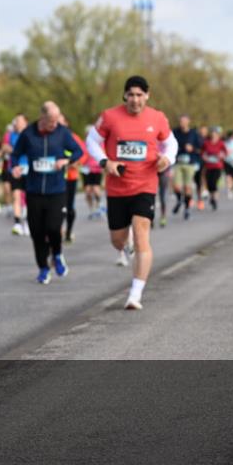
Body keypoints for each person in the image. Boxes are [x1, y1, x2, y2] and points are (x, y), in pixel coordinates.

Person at [86, 76, 177, 310]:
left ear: (147, 95)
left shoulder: (157, 118)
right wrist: (105, 161)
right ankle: (124, 247)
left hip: (145, 185)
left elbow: (171, 143)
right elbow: (92, 141)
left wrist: (167, 158)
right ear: (125, 95)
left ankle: (135, 293)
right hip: (117, 188)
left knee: (141, 234)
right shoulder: (110, 116)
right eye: (131, 94)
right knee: (118, 240)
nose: (135, 99)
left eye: (140, 95)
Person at [11, 103, 82, 284]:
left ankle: (57, 254)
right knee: (36, 232)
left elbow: (78, 151)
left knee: (53, 228)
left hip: (56, 190)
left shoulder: (62, 132)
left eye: (57, 120)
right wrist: (15, 167)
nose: (55, 124)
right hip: (34, 190)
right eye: (51, 120)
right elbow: (15, 154)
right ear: (42, 117)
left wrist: (66, 160)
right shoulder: (28, 134)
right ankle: (43, 268)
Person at [58, 114, 88, 242]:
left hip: (70, 176)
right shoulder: (51, 137)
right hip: (56, 178)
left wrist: (76, 163)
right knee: (59, 207)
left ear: (66, 123)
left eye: (60, 122)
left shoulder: (73, 137)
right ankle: (57, 232)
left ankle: (69, 231)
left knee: (69, 207)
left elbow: (84, 153)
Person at [1, 114, 29, 235]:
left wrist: (15, 149)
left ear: (25, 123)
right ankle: (17, 223)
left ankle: (27, 223)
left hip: (29, 168)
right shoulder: (11, 135)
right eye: (15, 121)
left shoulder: (30, 135)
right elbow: (4, 147)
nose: (16, 123)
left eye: (18, 121)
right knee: (16, 196)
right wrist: (12, 149)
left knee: (29, 198)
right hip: (15, 168)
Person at [171, 115, 201, 220]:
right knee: (176, 186)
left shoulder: (194, 133)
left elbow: (200, 147)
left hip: (190, 163)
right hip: (178, 162)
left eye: (184, 121)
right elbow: (170, 145)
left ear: (188, 122)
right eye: (181, 121)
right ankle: (179, 200)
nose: (182, 123)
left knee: (188, 187)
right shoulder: (175, 132)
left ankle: (187, 208)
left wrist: (192, 148)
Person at [81, 123, 105, 221]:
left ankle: (100, 204)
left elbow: (103, 154)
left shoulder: (100, 143)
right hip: (85, 169)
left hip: (96, 169)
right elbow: (80, 155)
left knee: (95, 189)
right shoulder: (83, 143)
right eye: (87, 133)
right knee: (87, 191)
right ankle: (91, 210)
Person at [200, 127, 227, 210]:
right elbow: (202, 152)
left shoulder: (221, 143)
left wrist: (221, 155)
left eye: (216, 135)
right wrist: (204, 157)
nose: (214, 136)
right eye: (213, 134)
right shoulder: (206, 143)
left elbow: (225, 153)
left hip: (218, 166)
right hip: (209, 166)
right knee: (209, 183)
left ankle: (214, 200)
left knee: (214, 183)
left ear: (218, 136)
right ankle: (212, 198)